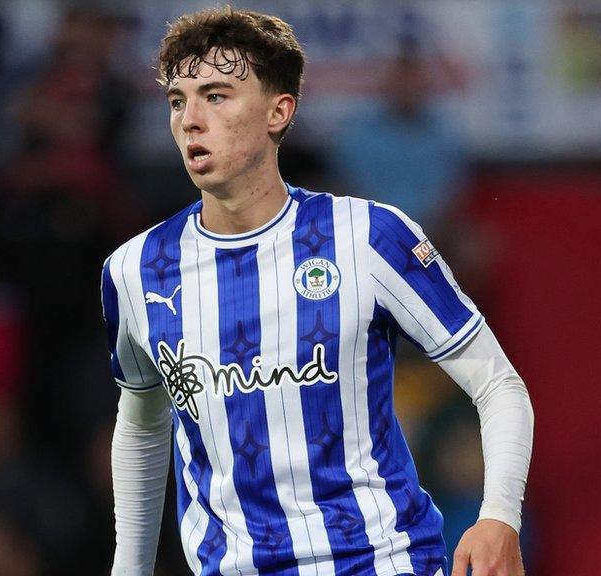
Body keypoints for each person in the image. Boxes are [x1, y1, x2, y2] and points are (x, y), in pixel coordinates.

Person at [100, 8, 533, 576]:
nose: (190, 120)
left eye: (217, 96)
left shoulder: (366, 238)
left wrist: (499, 514)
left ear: (280, 111)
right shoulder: (136, 270)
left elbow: (497, 382)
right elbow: (142, 422)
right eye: (178, 101)